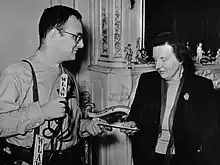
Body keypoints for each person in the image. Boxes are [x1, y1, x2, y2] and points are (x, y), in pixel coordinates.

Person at [0, 5, 108, 165]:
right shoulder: (18, 73)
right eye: (76, 37)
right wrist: (42, 111)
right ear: (54, 35)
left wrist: (86, 126)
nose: (82, 45)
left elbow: (67, 124)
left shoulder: (68, 77)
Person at [121, 32, 219, 165]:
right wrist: (131, 123)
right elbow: (135, 115)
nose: (157, 66)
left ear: (180, 59)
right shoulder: (146, 81)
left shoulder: (201, 86)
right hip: (149, 157)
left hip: (186, 159)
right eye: (155, 60)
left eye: (163, 59)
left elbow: (210, 131)